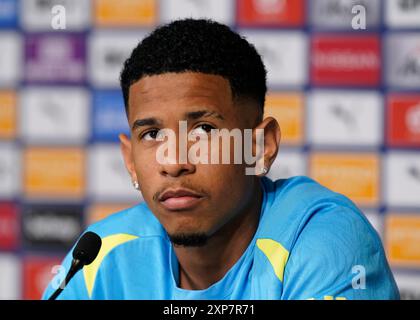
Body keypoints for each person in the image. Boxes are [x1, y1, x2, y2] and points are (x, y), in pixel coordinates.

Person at [42, 19, 399, 300]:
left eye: (202, 130)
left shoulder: (325, 242)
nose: (173, 161)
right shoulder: (99, 256)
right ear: (130, 160)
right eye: (151, 135)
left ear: (260, 146)